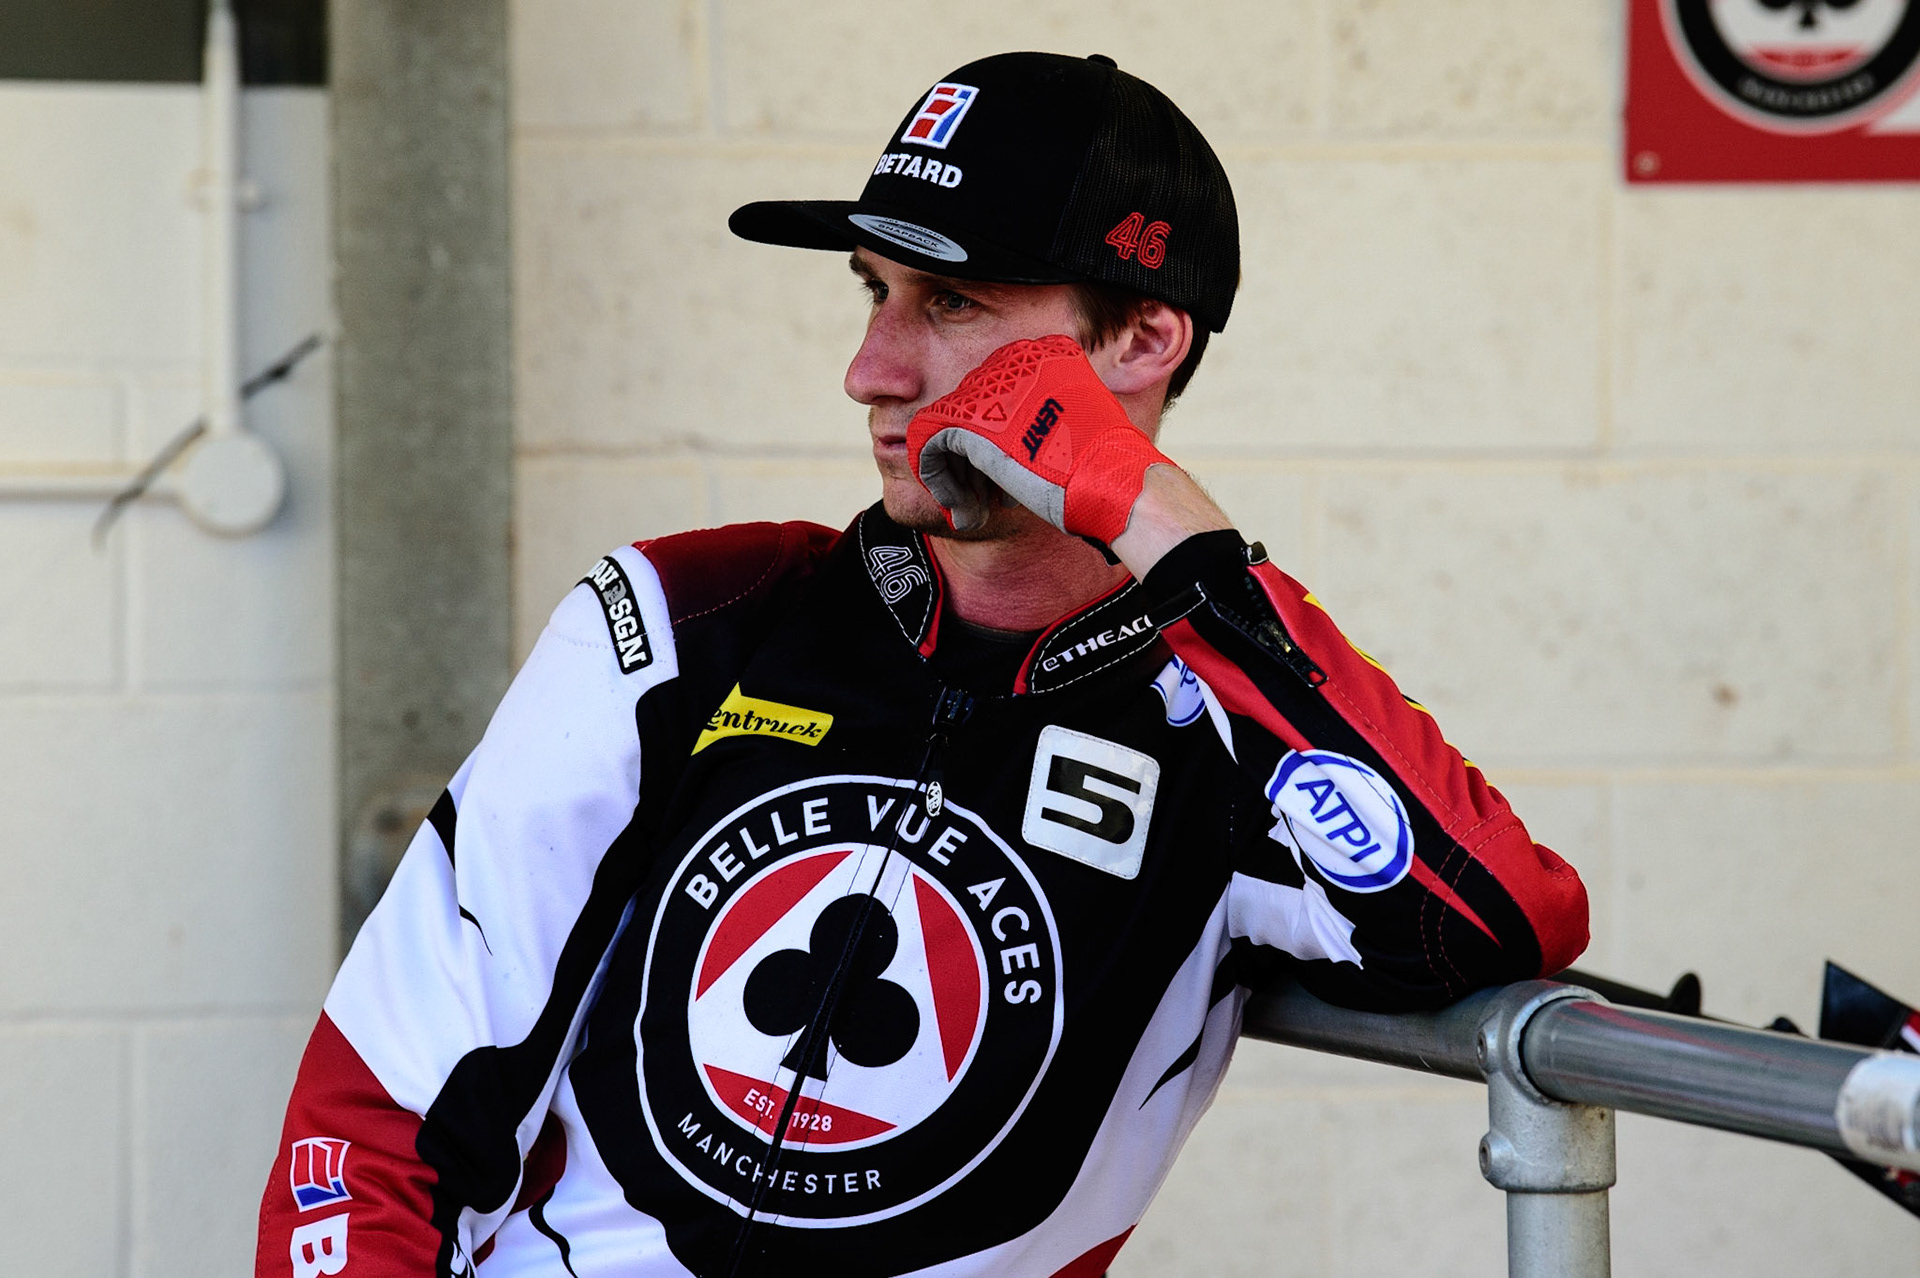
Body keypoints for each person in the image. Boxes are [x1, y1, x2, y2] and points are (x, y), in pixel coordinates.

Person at [258, 51, 1588, 1278]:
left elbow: (1490, 922)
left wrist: (1168, 531)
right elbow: (371, 1121)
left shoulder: (1226, 725)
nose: (869, 368)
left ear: (1139, 339)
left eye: (946, 300)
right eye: (872, 292)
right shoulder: (683, 617)